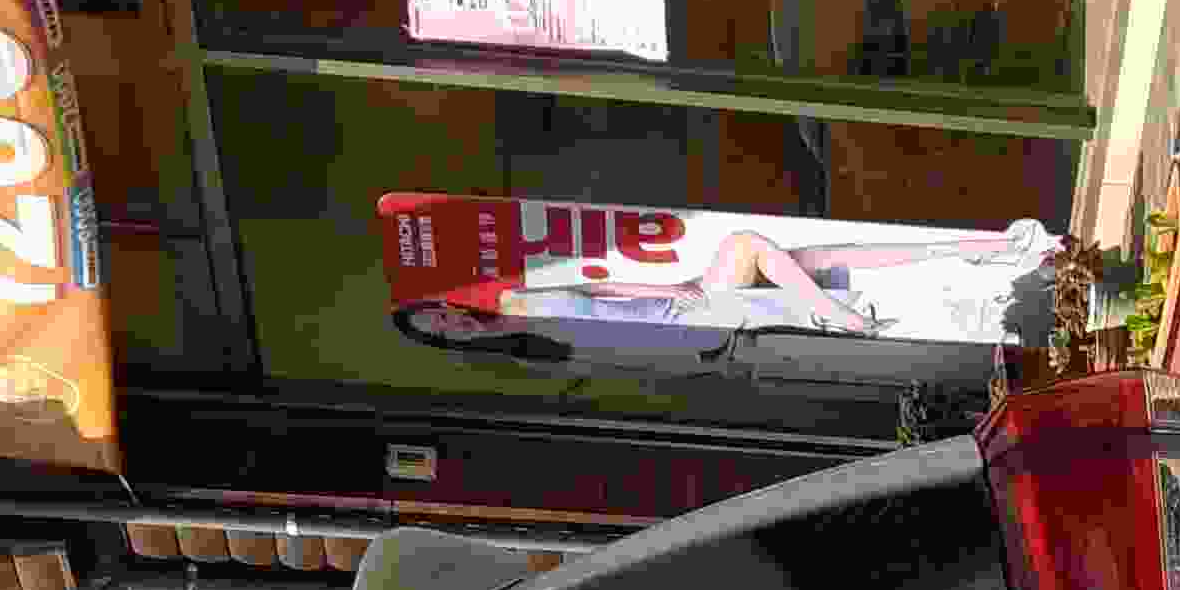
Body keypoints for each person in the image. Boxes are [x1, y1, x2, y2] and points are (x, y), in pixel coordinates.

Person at [395, 218, 1133, 356]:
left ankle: (1025, 260)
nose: (450, 323)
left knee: (830, 263)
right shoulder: (531, 345)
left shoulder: (521, 302)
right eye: (440, 332)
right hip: (709, 337)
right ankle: (1054, 285)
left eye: (441, 315)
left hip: (694, 308)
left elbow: (613, 292)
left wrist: (683, 288)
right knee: (826, 276)